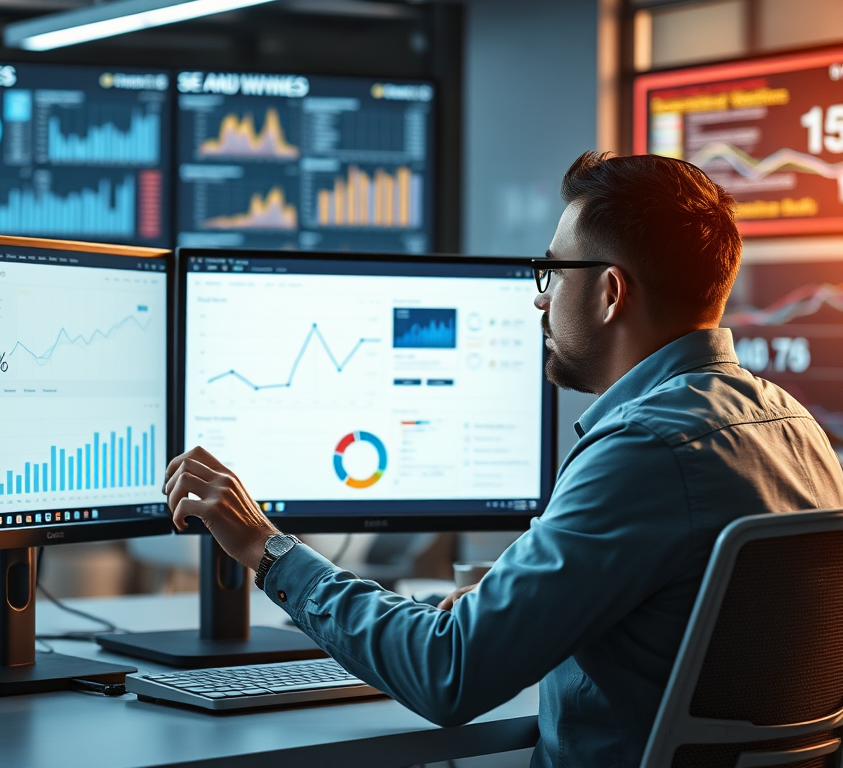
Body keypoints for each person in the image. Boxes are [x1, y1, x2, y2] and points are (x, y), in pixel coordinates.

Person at [163, 151, 843, 768]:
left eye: (551, 270)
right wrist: (517, 587)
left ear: (610, 293)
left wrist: (267, 549)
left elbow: (446, 673)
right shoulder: (796, 427)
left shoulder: (645, 450)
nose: (541, 297)